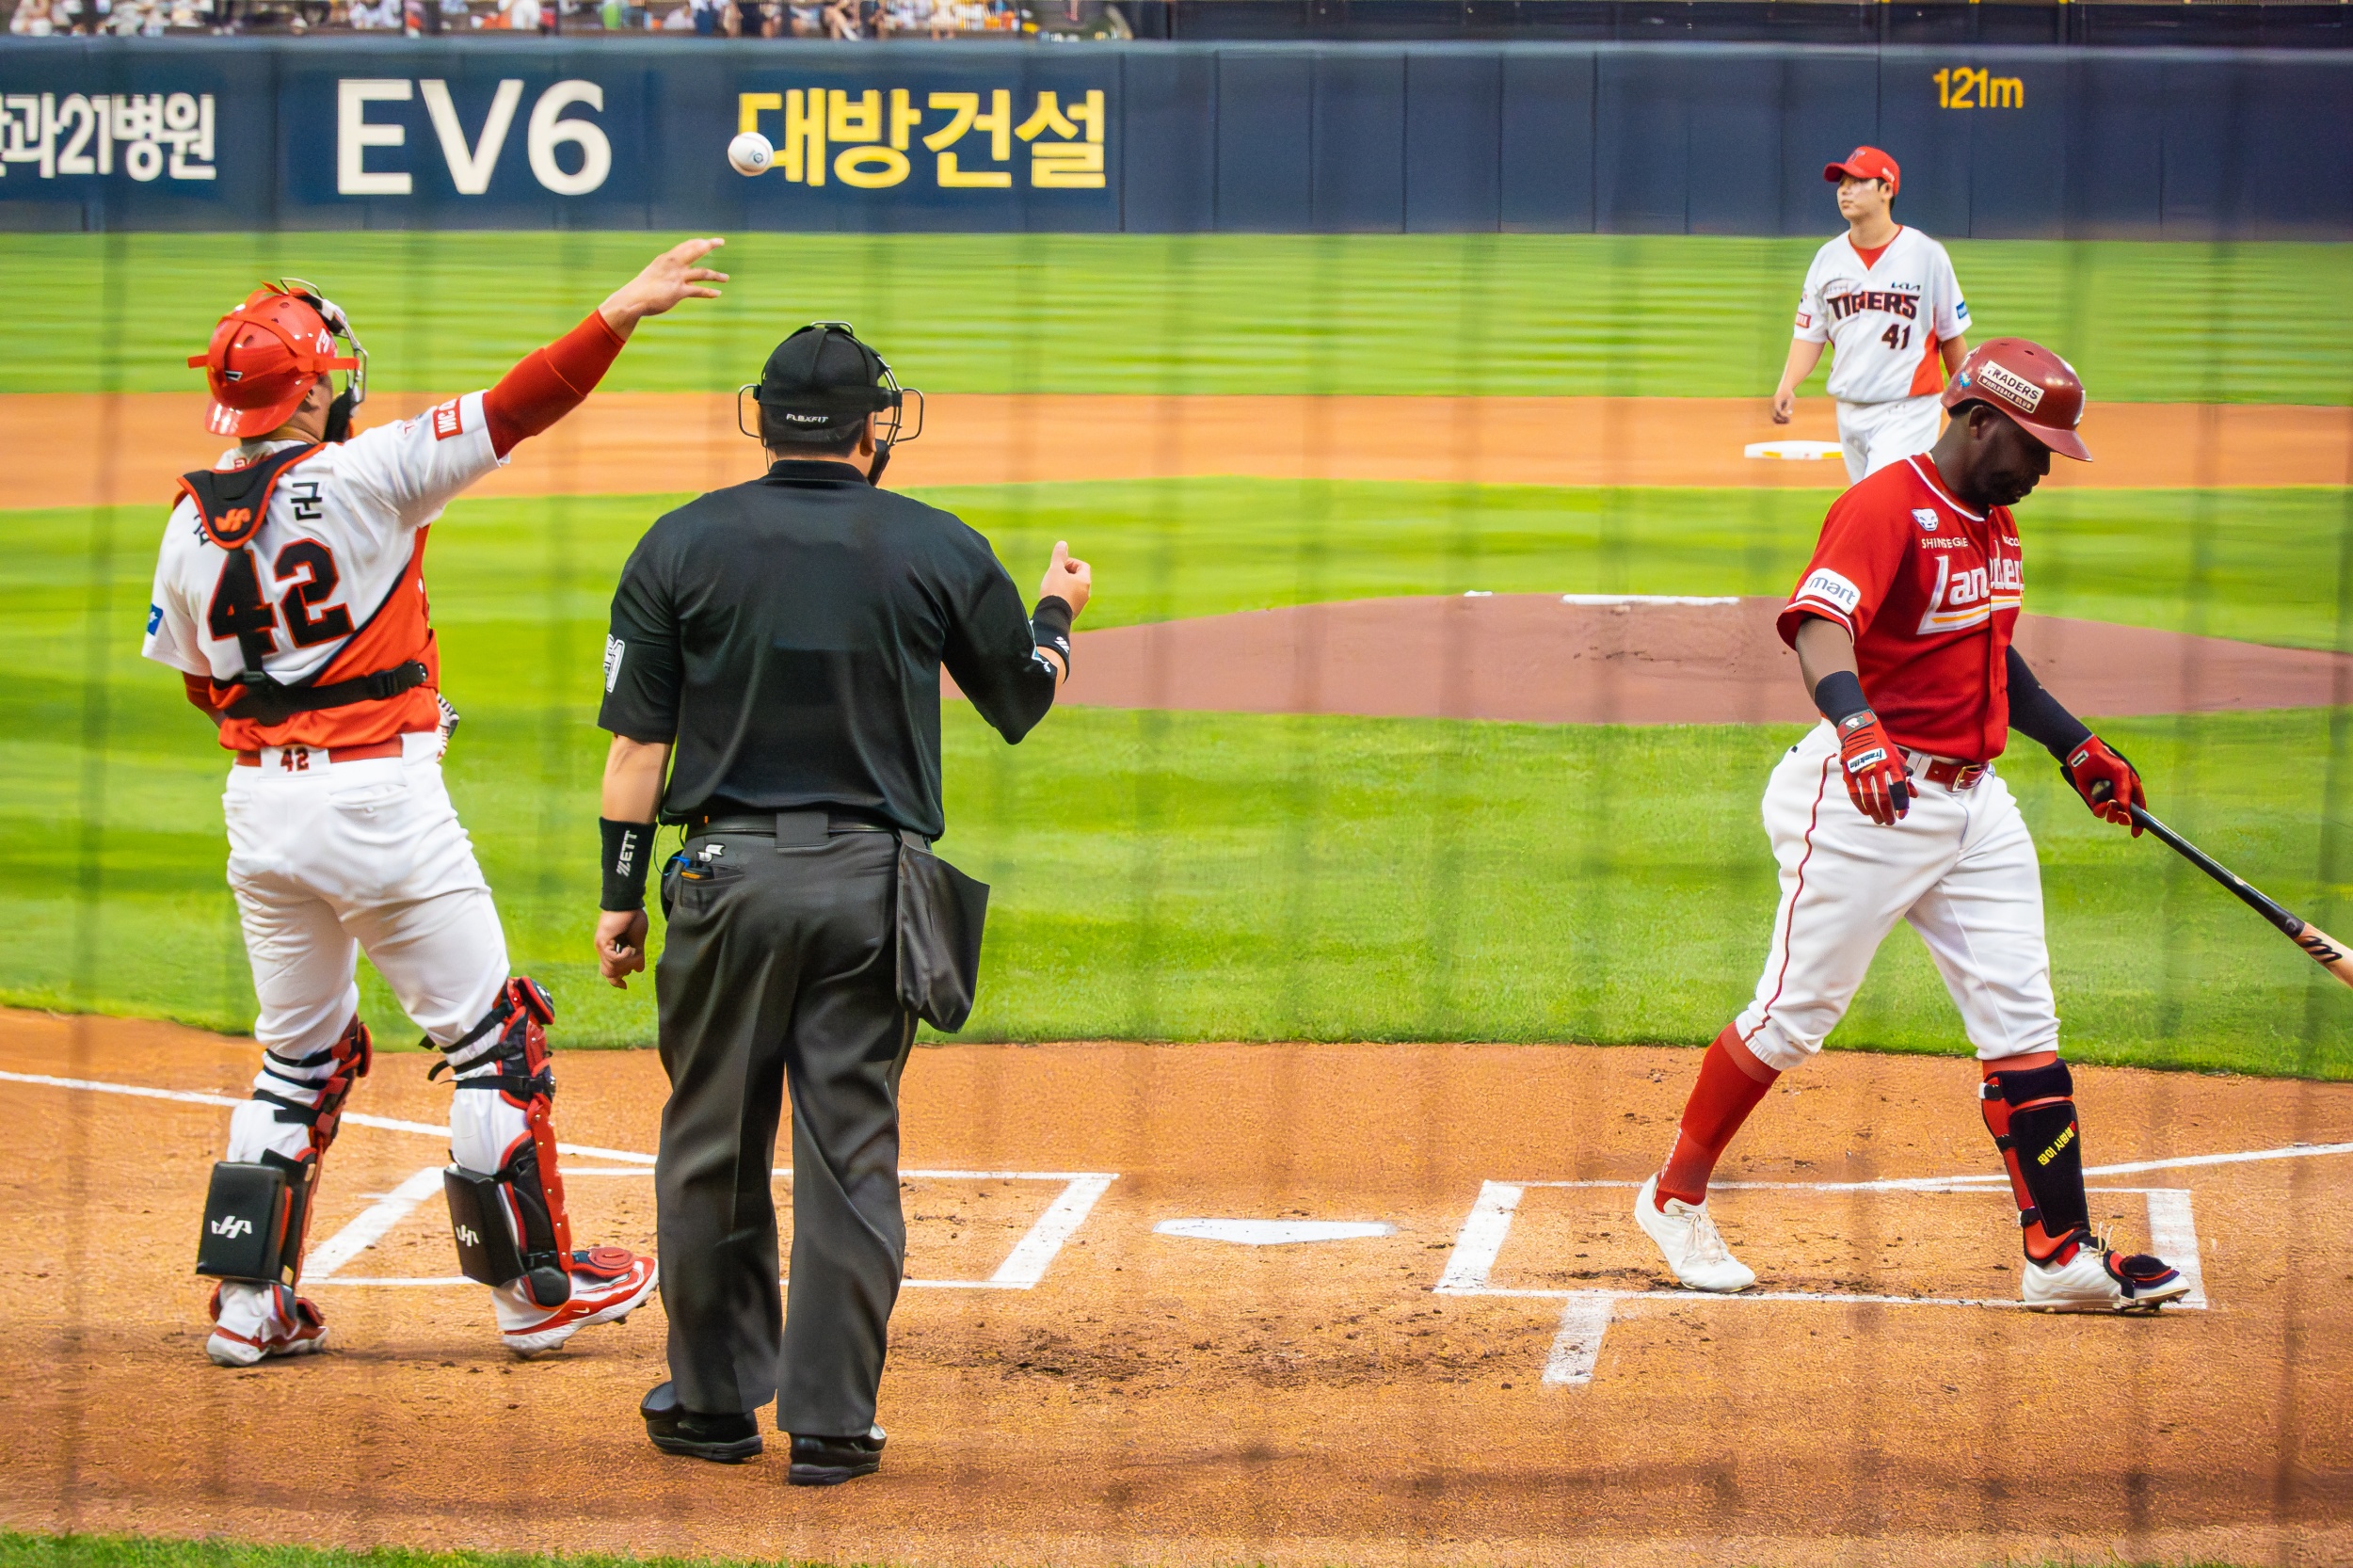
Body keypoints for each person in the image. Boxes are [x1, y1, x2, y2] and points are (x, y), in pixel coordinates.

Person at [146, 240, 728, 1368]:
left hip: (259, 813)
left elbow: (208, 689)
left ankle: (247, 1307)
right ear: (305, 392)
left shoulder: (187, 521)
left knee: (297, 1058)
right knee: (493, 1041)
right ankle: (535, 1293)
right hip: (380, 807)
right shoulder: (368, 473)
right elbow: (518, 405)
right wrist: (620, 309)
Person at [589, 323, 1092, 1480]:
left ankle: (712, 1405)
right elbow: (1020, 700)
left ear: (763, 420)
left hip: (721, 884)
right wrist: (1055, 614)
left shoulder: (678, 542)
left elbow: (634, 754)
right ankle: (830, 1424)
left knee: (710, 1144)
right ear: (874, 428)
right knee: (850, 1152)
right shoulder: (935, 543)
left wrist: (621, 900)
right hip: (871, 889)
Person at [1635, 338, 2193, 1316]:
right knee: (1793, 1016)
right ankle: (1673, 1198)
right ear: (1978, 421)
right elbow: (1821, 626)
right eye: (2035, 447)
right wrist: (1857, 728)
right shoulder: (1885, 504)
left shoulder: (1995, 527)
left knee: (2022, 1021)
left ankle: (2059, 1255)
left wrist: (2075, 746)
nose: (2044, 469)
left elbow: (1992, 658)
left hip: (1976, 807)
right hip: (1870, 797)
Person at [1773, 146, 1972, 484]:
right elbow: (1810, 334)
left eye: (1857, 182)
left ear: (1887, 189)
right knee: (1874, 504)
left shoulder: (1926, 255)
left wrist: (1966, 401)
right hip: (1849, 409)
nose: (1845, 191)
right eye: (1842, 183)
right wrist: (1787, 384)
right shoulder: (1828, 258)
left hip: (1908, 409)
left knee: (1883, 494)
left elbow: (1951, 336)